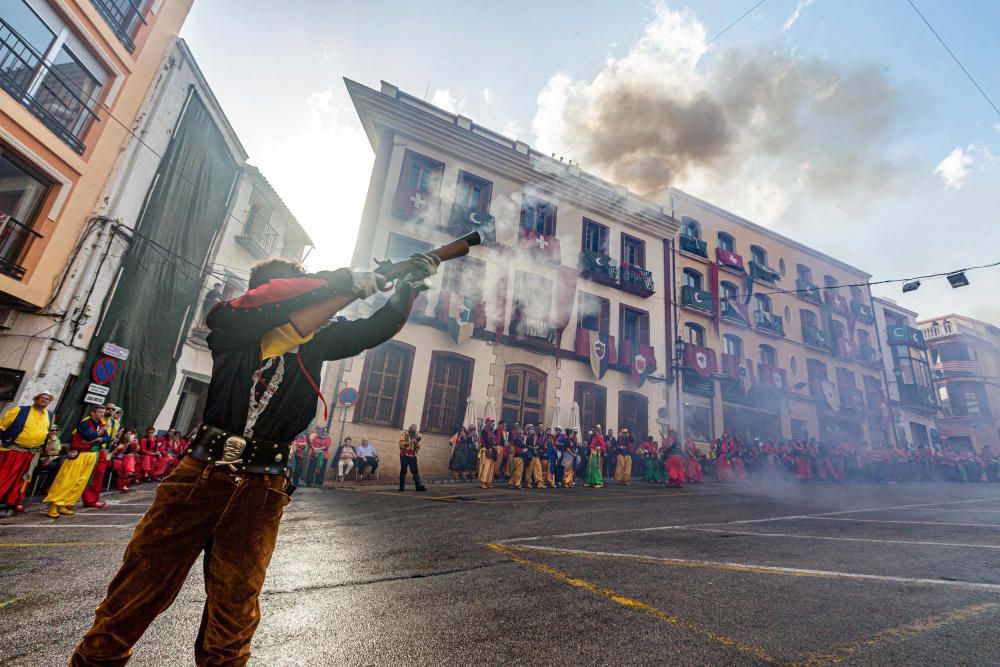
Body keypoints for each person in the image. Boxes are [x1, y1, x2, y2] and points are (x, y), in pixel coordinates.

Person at [70, 252, 438, 665]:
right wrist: (344, 280)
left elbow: (372, 330)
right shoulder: (231, 324)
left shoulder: (316, 339)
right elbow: (273, 299)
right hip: (202, 474)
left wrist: (404, 289)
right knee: (135, 593)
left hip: (263, 486)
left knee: (235, 612)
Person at [45, 405, 110, 518]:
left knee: (80, 482)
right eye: (100, 412)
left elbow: (107, 438)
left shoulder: (100, 425)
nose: (102, 414)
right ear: (93, 413)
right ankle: (54, 506)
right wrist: (98, 435)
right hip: (79, 454)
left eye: (103, 412)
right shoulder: (85, 424)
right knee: (68, 480)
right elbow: (88, 436)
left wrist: (100, 438)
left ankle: (65, 505)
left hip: (92, 455)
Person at [0, 389, 55, 516]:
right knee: (4, 476)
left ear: (49, 402)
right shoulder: (19, 410)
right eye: (42, 397)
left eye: (47, 399)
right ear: (35, 399)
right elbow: (2, 427)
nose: (44, 400)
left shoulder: (50, 415)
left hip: (31, 453)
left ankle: (12, 502)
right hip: (13, 450)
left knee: (22, 479)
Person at [399, 424, 426, 492]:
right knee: (403, 470)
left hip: (412, 455)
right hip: (404, 455)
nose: (414, 431)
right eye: (412, 429)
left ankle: (418, 486)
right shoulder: (404, 434)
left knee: (415, 471)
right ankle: (401, 487)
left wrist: (416, 442)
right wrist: (410, 442)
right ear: (410, 428)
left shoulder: (416, 435)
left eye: (415, 430)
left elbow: (418, 447)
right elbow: (401, 444)